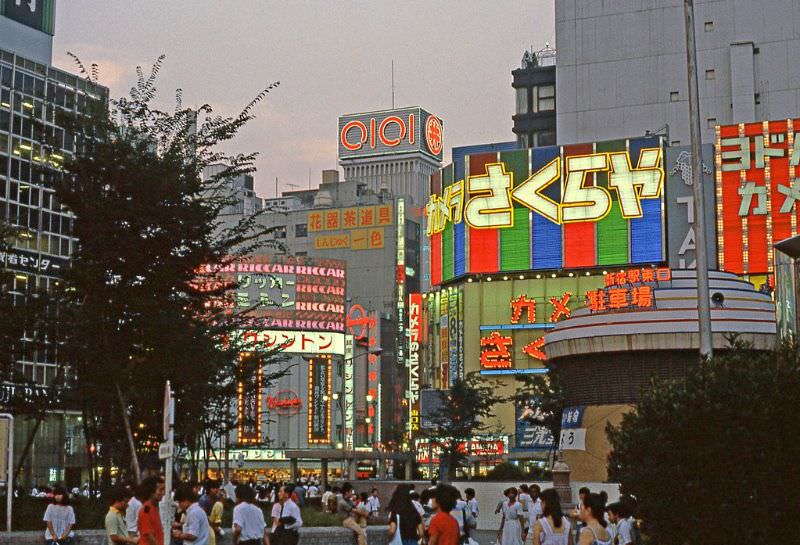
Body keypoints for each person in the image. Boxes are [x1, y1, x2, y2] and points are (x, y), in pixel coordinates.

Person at [138, 476, 166, 545]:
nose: (163, 493)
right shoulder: (146, 510)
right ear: (151, 491)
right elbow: (149, 536)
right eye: (160, 490)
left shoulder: (155, 507)